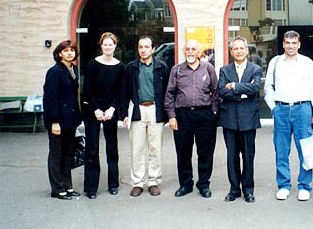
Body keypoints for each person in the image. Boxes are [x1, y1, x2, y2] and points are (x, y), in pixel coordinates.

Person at [264, 30, 313, 201]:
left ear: (299, 44)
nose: (290, 46)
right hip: (281, 110)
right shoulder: (275, 62)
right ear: (283, 44)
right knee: (281, 150)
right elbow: (268, 87)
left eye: (294, 43)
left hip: (302, 110)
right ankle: (283, 185)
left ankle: (305, 186)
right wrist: (273, 107)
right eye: (287, 43)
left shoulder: (307, 63)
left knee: (305, 149)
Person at [165, 39, 219, 198]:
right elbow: (169, 94)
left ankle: (204, 184)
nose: (190, 52)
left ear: (199, 52)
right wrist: (172, 116)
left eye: (193, 49)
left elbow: (216, 92)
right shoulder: (176, 70)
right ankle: (186, 184)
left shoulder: (208, 68)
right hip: (183, 116)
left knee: (205, 152)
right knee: (183, 152)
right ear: (183, 51)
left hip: (205, 115)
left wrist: (214, 112)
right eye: (187, 49)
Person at [120, 35, 170, 197]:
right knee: (137, 148)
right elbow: (124, 92)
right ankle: (138, 182)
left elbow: (168, 92)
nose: (143, 50)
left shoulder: (162, 67)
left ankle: (153, 181)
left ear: (153, 49)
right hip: (137, 110)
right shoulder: (131, 67)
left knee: (155, 148)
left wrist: (168, 114)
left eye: (147, 47)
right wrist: (123, 114)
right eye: (141, 47)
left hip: (155, 110)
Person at [218, 37, 262, 203]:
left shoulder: (255, 69)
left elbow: (255, 88)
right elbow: (222, 91)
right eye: (235, 49)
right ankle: (234, 189)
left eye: (241, 48)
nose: (238, 51)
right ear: (231, 52)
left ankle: (248, 190)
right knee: (232, 156)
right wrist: (244, 91)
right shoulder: (224, 70)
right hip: (229, 118)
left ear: (246, 50)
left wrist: (235, 86)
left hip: (248, 119)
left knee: (248, 156)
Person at [82, 32, 124, 199]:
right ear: (101, 46)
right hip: (94, 110)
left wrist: (113, 108)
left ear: (115, 46)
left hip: (110, 111)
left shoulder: (120, 67)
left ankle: (113, 184)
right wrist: (96, 109)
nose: (108, 47)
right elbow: (87, 90)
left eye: (111, 44)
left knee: (112, 148)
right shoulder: (93, 64)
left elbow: (120, 91)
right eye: (105, 44)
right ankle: (91, 188)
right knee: (92, 149)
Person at [43, 40, 82, 200]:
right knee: (56, 154)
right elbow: (50, 98)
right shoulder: (54, 72)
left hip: (71, 120)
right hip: (58, 121)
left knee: (68, 154)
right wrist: (54, 121)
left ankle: (67, 185)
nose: (69, 53)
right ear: (59, 54)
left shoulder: (73, 69)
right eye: (66, 51)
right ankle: (57, 188)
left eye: (72, 50)